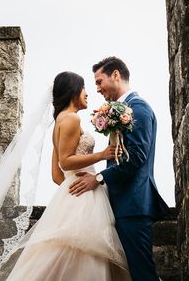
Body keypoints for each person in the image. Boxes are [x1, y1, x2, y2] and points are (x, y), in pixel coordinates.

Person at [0, 71, 131, 281]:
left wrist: (70, 188)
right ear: (73, 91)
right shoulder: (71, 119)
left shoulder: (59, 121)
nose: (88, 93)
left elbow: (55, 174)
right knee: (86, 254)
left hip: (74, 192)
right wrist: (102, 155)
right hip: (84, 195)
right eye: (84, 88)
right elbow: (66, 161)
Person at [68, 57, 169, 281]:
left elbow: (136, 158)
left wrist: (99, 178)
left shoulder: (138, 109)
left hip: (133, 206)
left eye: (99, 81)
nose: (97, 89)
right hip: (120, 206)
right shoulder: (121, 110)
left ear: (116, 75)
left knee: (142, 274)